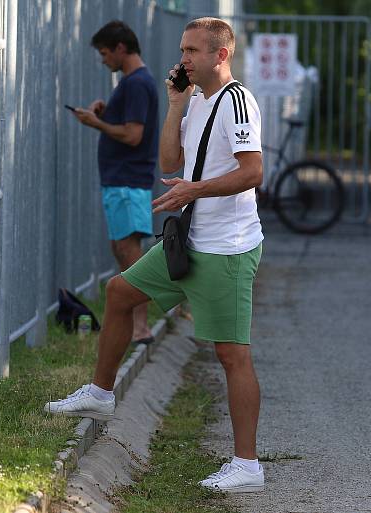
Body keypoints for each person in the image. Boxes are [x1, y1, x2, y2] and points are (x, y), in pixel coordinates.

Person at [46, 17, 266, 493]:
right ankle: (102, 394)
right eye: (184, 50)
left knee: (231, 354)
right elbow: (169, 162)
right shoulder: (200, 100)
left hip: (225, 248)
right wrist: (175, 105)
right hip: (189, 240)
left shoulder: (237, 102)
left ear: (220, 55)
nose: (183, 58)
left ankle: (247, 466)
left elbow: (253, 173)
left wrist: (197, 188)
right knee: (120, 291)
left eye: (192, 51)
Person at [70, 20, 158, 345]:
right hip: (123, 180)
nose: (103, 59)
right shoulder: (134, 83)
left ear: (121, 48)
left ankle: (140, 326)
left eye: (105, 53)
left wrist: (96, 123)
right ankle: (135, 324)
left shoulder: (135, 83)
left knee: (128, 249)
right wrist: (107, 113)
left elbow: (133, 135)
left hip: (128, 179)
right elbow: (130, 123)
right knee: (122, 248)